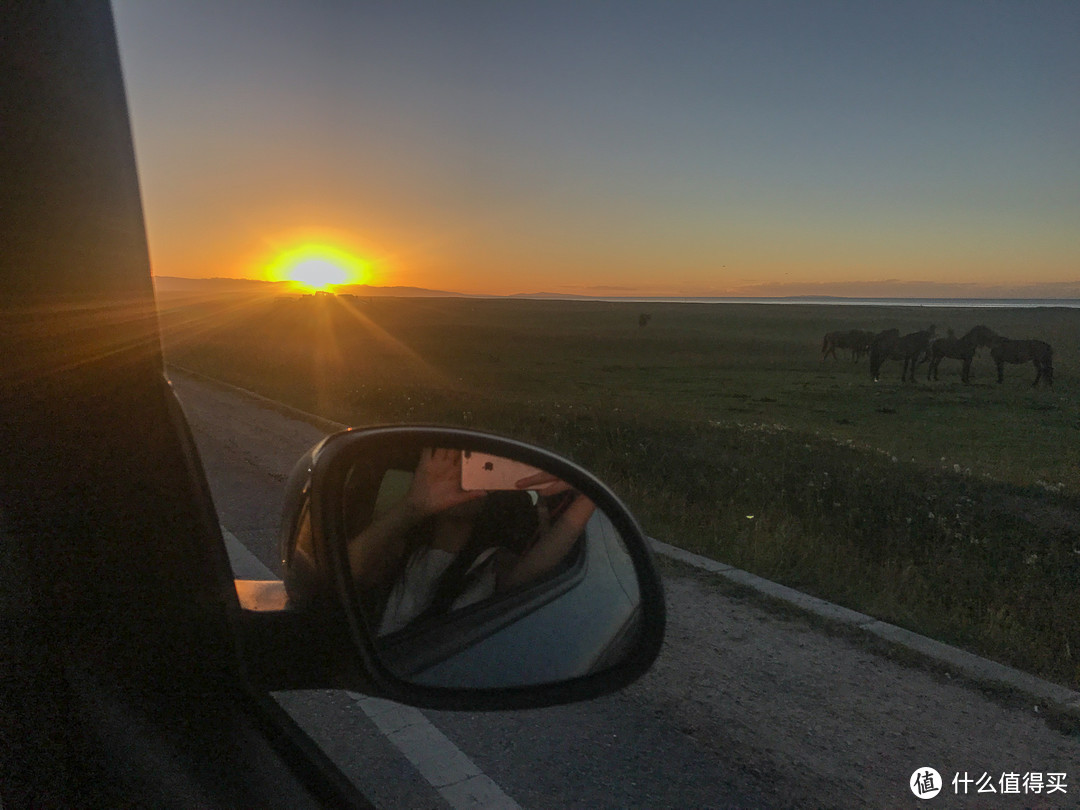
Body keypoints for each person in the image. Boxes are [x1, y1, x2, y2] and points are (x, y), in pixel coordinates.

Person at [347, 448, 594, 635]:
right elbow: (344, 575)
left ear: (491, 495)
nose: (463, 481)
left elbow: (535, 567)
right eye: (453, 473)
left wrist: (586, 493)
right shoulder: (399, 552)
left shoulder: (492, 564)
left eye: (475, 472)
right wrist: (412, 507)